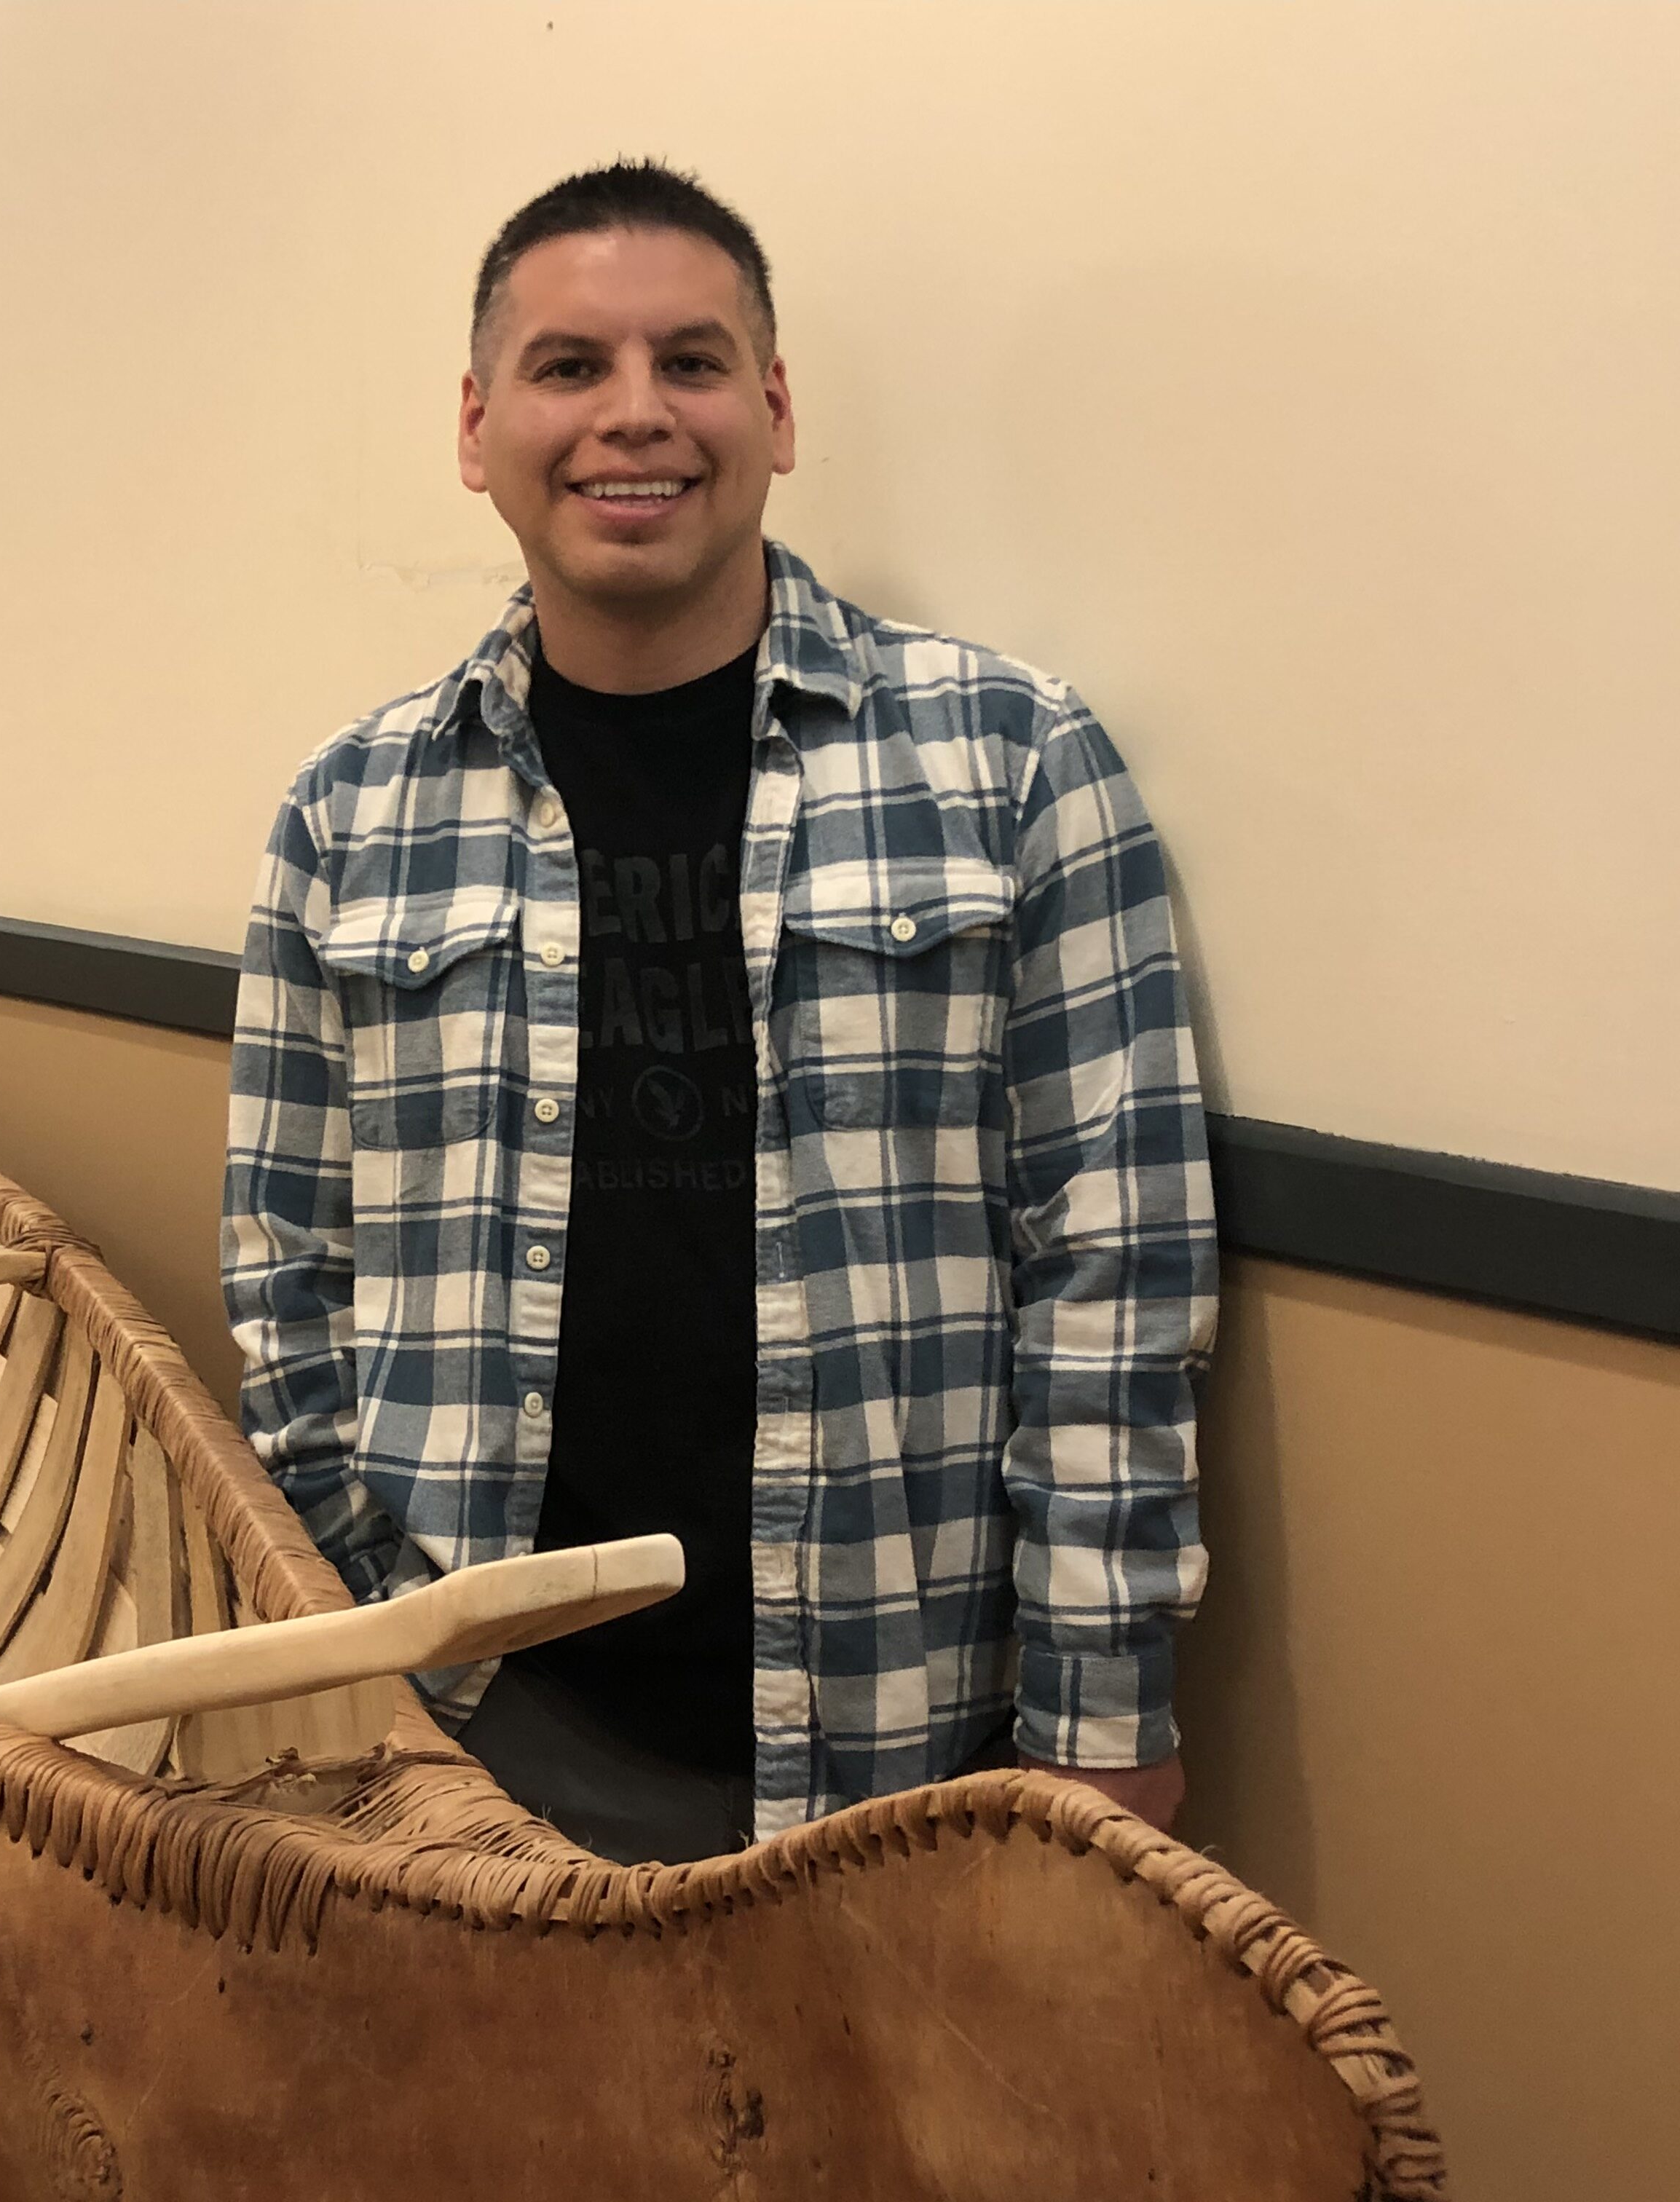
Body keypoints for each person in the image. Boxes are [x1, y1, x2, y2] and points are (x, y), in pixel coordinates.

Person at [222, 161, 1211, 1863]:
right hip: (484, 1734)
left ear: (774, 406)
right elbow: (286, 1269)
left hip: (913, 1738)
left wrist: (1102, 1721)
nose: (634, 417)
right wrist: (377, 1652)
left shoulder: (1009, 761)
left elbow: (1116, 1272)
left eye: (690, 362)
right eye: (568, 368)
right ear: (477, 428)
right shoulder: (351, 812)